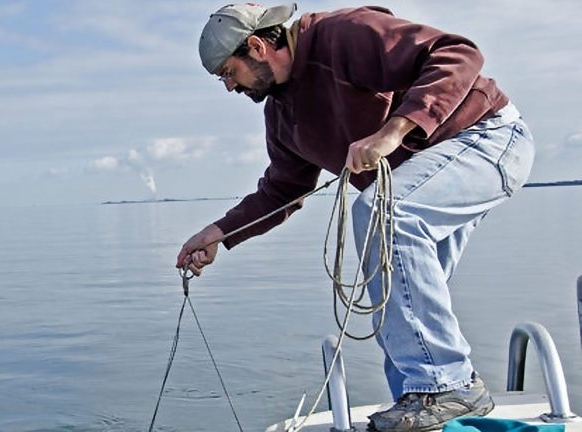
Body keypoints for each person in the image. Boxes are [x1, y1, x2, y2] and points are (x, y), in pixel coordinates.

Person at [175, 3, 535, 432]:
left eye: (229, 73)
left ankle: (447, 385)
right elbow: (283, 189)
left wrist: (393, 131)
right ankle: (422, 410)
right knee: (396, 302)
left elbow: (458, 54)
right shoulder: (282, 114)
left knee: (386, 213)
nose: (230, 87)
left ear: (256, 47)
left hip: (487, 138)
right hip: (420, 177)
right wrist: (217, 233)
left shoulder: (343, 34)